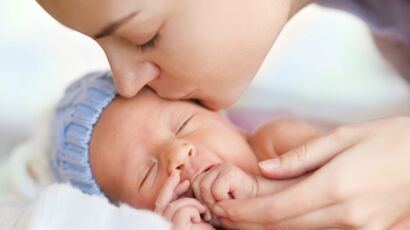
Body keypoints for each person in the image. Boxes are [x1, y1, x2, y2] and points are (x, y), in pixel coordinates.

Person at [37, 0, 410, 228]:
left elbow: (331, 174)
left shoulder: (270, 142)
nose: (127, 82)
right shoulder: (394, 37)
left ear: (229, 121)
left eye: (144, 36)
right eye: (147, 174)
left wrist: (258, 188)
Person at [51, 72, 320, 229]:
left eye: (184, 126)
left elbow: (346, 183)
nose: (176, 155)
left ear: (219, 115)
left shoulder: (277, 142)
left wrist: (257, 191)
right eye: (147, 175)